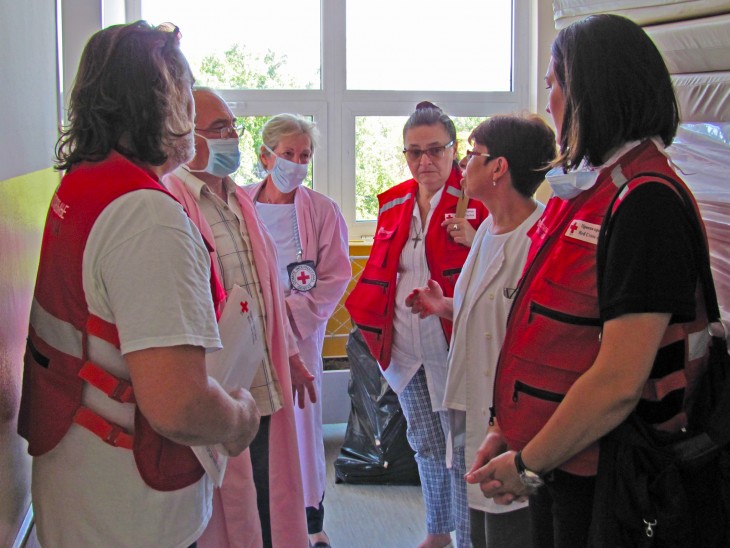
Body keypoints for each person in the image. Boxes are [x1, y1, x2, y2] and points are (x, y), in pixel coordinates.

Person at [467, 14, 711, 548]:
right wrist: (506, 426)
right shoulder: (590, 193)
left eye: (554, 84)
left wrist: (528, 462)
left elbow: (619, 381)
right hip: (563, 459)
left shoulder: (645, 202)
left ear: (588, 92)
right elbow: (553, 333)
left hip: (609, 474)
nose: (548, 99)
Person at [17, 22, 260, 547]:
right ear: (167, 104)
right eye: (185, 92)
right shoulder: (148, 216)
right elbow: (180, 406)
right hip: (132, 512)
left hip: (79, 489)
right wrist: (240, 419)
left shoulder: (83, 184)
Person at [164, 89, 312, 548]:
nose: (232, 138)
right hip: (217, 391)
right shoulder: (173, 201)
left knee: (268, 499)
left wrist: (290, 354)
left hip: (262, 385)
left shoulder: (235, 199)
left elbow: (267, 289)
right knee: (226, 510)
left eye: (234, 127)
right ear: (185, 136)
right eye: (219, 129)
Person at [407, 114, 556, 548]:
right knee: (479, 525)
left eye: (472, 154)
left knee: (512, 527)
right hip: (474, 405)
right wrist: (445, 306)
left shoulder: (538, 240)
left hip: (512, 417)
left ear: (498, 168)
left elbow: (539, 342)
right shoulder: (488, 229)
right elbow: (488, 315)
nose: (463, 164)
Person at [346, 101, 488, 548]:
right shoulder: (394, 204)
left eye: (434, 150)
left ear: (455, 150)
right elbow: (379, 273)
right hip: (405, 347)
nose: (424, 161)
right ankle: (438, 530)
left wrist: (473, 235)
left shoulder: (480, 204)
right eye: (414, 152)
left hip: (454, 346)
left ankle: (467, 539)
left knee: (462, 445)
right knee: (425, 442)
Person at [244, 113, 350, 548]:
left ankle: (310, 521)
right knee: (249, 419)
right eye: (288, 154)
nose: (296, 162)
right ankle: (254, 517)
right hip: (246, 332)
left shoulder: (322, 211)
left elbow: (334, 277)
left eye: (304, 155)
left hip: (299, 335)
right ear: (265, 156)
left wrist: (287, 315)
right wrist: (257, 318)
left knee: (301, 424)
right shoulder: (238, 203)